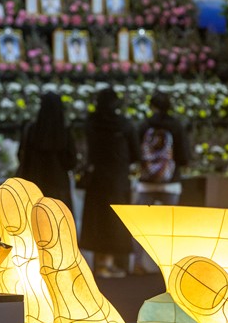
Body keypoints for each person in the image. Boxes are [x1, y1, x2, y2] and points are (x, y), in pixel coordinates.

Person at [80, 88, 139, 279]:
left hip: (97, 180)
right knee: (114, 222)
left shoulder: (92, 123)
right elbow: (135, 153)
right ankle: (110, 263)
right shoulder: (124, 125)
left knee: (97, 221)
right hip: (117, 180)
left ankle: (100, 263)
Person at [134, 91, 190, 273]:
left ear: (152, 106)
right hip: (171, 183)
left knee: (140, 225)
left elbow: (136, 151)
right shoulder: (176, 126)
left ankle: (138, 263)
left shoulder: (144, 125)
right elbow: (183, 155)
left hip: (146, 183)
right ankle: (172, 265)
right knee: (171, 226)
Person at [16, 92, 76, 211]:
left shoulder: (32, 130)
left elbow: (21, 155)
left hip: (35, 184)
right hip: (58, 186)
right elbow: (71, 162)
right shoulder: (64, 132)